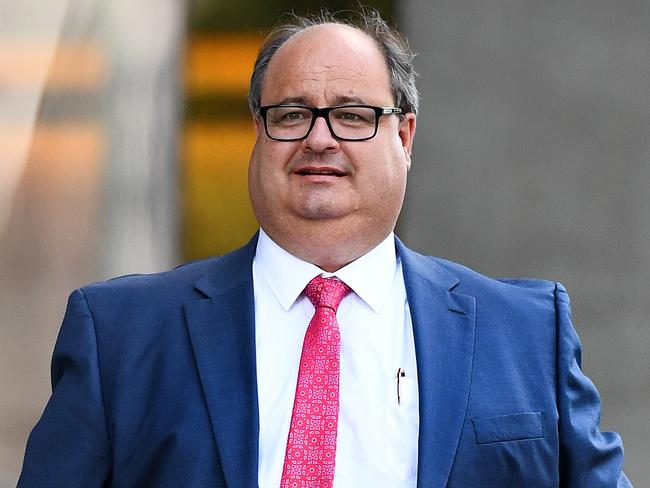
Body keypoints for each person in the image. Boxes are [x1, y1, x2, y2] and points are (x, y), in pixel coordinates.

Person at [19, 9, 631, 488]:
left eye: (352, 114)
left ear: (405, 134)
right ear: (258, 131)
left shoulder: (525, 333)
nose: (320, 139)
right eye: (291, 114)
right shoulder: (121, 336)